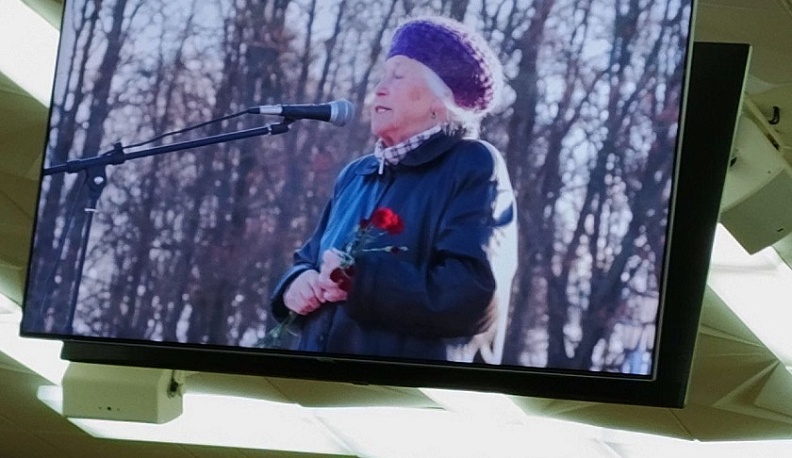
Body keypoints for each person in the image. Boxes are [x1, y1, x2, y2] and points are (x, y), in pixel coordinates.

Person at [269, 16, 517, 363]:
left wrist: (358, 280)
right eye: (382, 76)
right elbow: (309, 259)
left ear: (440, 99)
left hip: (407, 400)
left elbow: (471, 293)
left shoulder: (473, 165)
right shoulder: (357, 174)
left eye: (397, 76)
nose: (379, 89)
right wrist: (295, 286)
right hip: (319, 385)